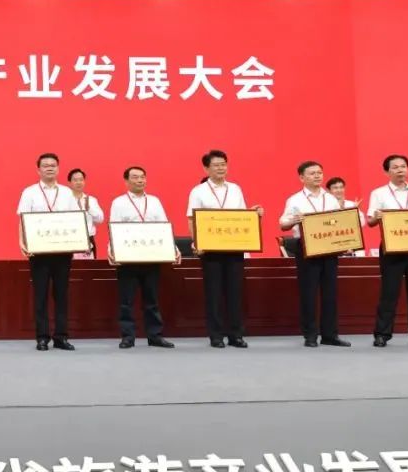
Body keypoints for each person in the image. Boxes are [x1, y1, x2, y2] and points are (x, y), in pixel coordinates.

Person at [186, 149, 261, 349]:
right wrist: (197, 242)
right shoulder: (198, 191)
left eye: (223, 164)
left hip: (234, 247)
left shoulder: (235, 189)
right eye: (216, 165)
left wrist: (254, 214)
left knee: (235, 292)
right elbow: (192, 219)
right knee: (214, 294)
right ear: (206, 168)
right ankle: (216, 335)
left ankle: (236, 335)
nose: (221, 168)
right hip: (210, 249)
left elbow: (243, 216)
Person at [278, 161, 351, 348]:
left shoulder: (331, 198)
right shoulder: (295, 199)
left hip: (329, 248)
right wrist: (294, 220)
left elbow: (339, 222)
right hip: (306, 248)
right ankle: (310, 335)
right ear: (302, 177)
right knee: (308, 293)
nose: (317, 176)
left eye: (319, 172)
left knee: (330, 293)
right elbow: (283, 223)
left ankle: (330, 335)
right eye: (312, 173)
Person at [108, 166, 178, 349]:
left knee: (152, 300)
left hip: (151, 256)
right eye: (135, 177)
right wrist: (112, 250)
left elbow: (164, 225)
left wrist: (173, 248)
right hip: (128, 258)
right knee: (126, 301)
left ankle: (155, 335)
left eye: (142, 177)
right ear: (126, 181)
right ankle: (127, 337)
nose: (140, 180)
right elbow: (113, 227)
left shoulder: (154, 201)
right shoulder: (119, 203)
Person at [17, 153, 80, 351]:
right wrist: (22, 242)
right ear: (38, 170)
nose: (50, 168)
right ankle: (42, 337)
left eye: (53, 165)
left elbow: (75, 218)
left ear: (58, 169)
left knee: (61, 295)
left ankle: (61, 337)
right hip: (39, 251)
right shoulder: (29, 192)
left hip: (62, 250)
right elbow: (23, 219)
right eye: (45, 165)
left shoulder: (67, 193)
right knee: (41, 295)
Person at [366, 154, 408, 348]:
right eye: (395, 167)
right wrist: (376, 217)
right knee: (389, 293)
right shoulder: (379, 193)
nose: (400, 170)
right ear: (387, 172)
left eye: (403, 166)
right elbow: (370, 221)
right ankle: (382, 334)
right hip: (391, 249)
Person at [65, 168, 104, 259]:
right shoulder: (64, 200)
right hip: (70, 239)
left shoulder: (91, 200)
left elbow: (100, 220)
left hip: (88, 239)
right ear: (69, 183)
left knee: (88, 267)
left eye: (81, 180)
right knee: (70, 267)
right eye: (75, 180)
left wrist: (89, 209)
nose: (79, 182)